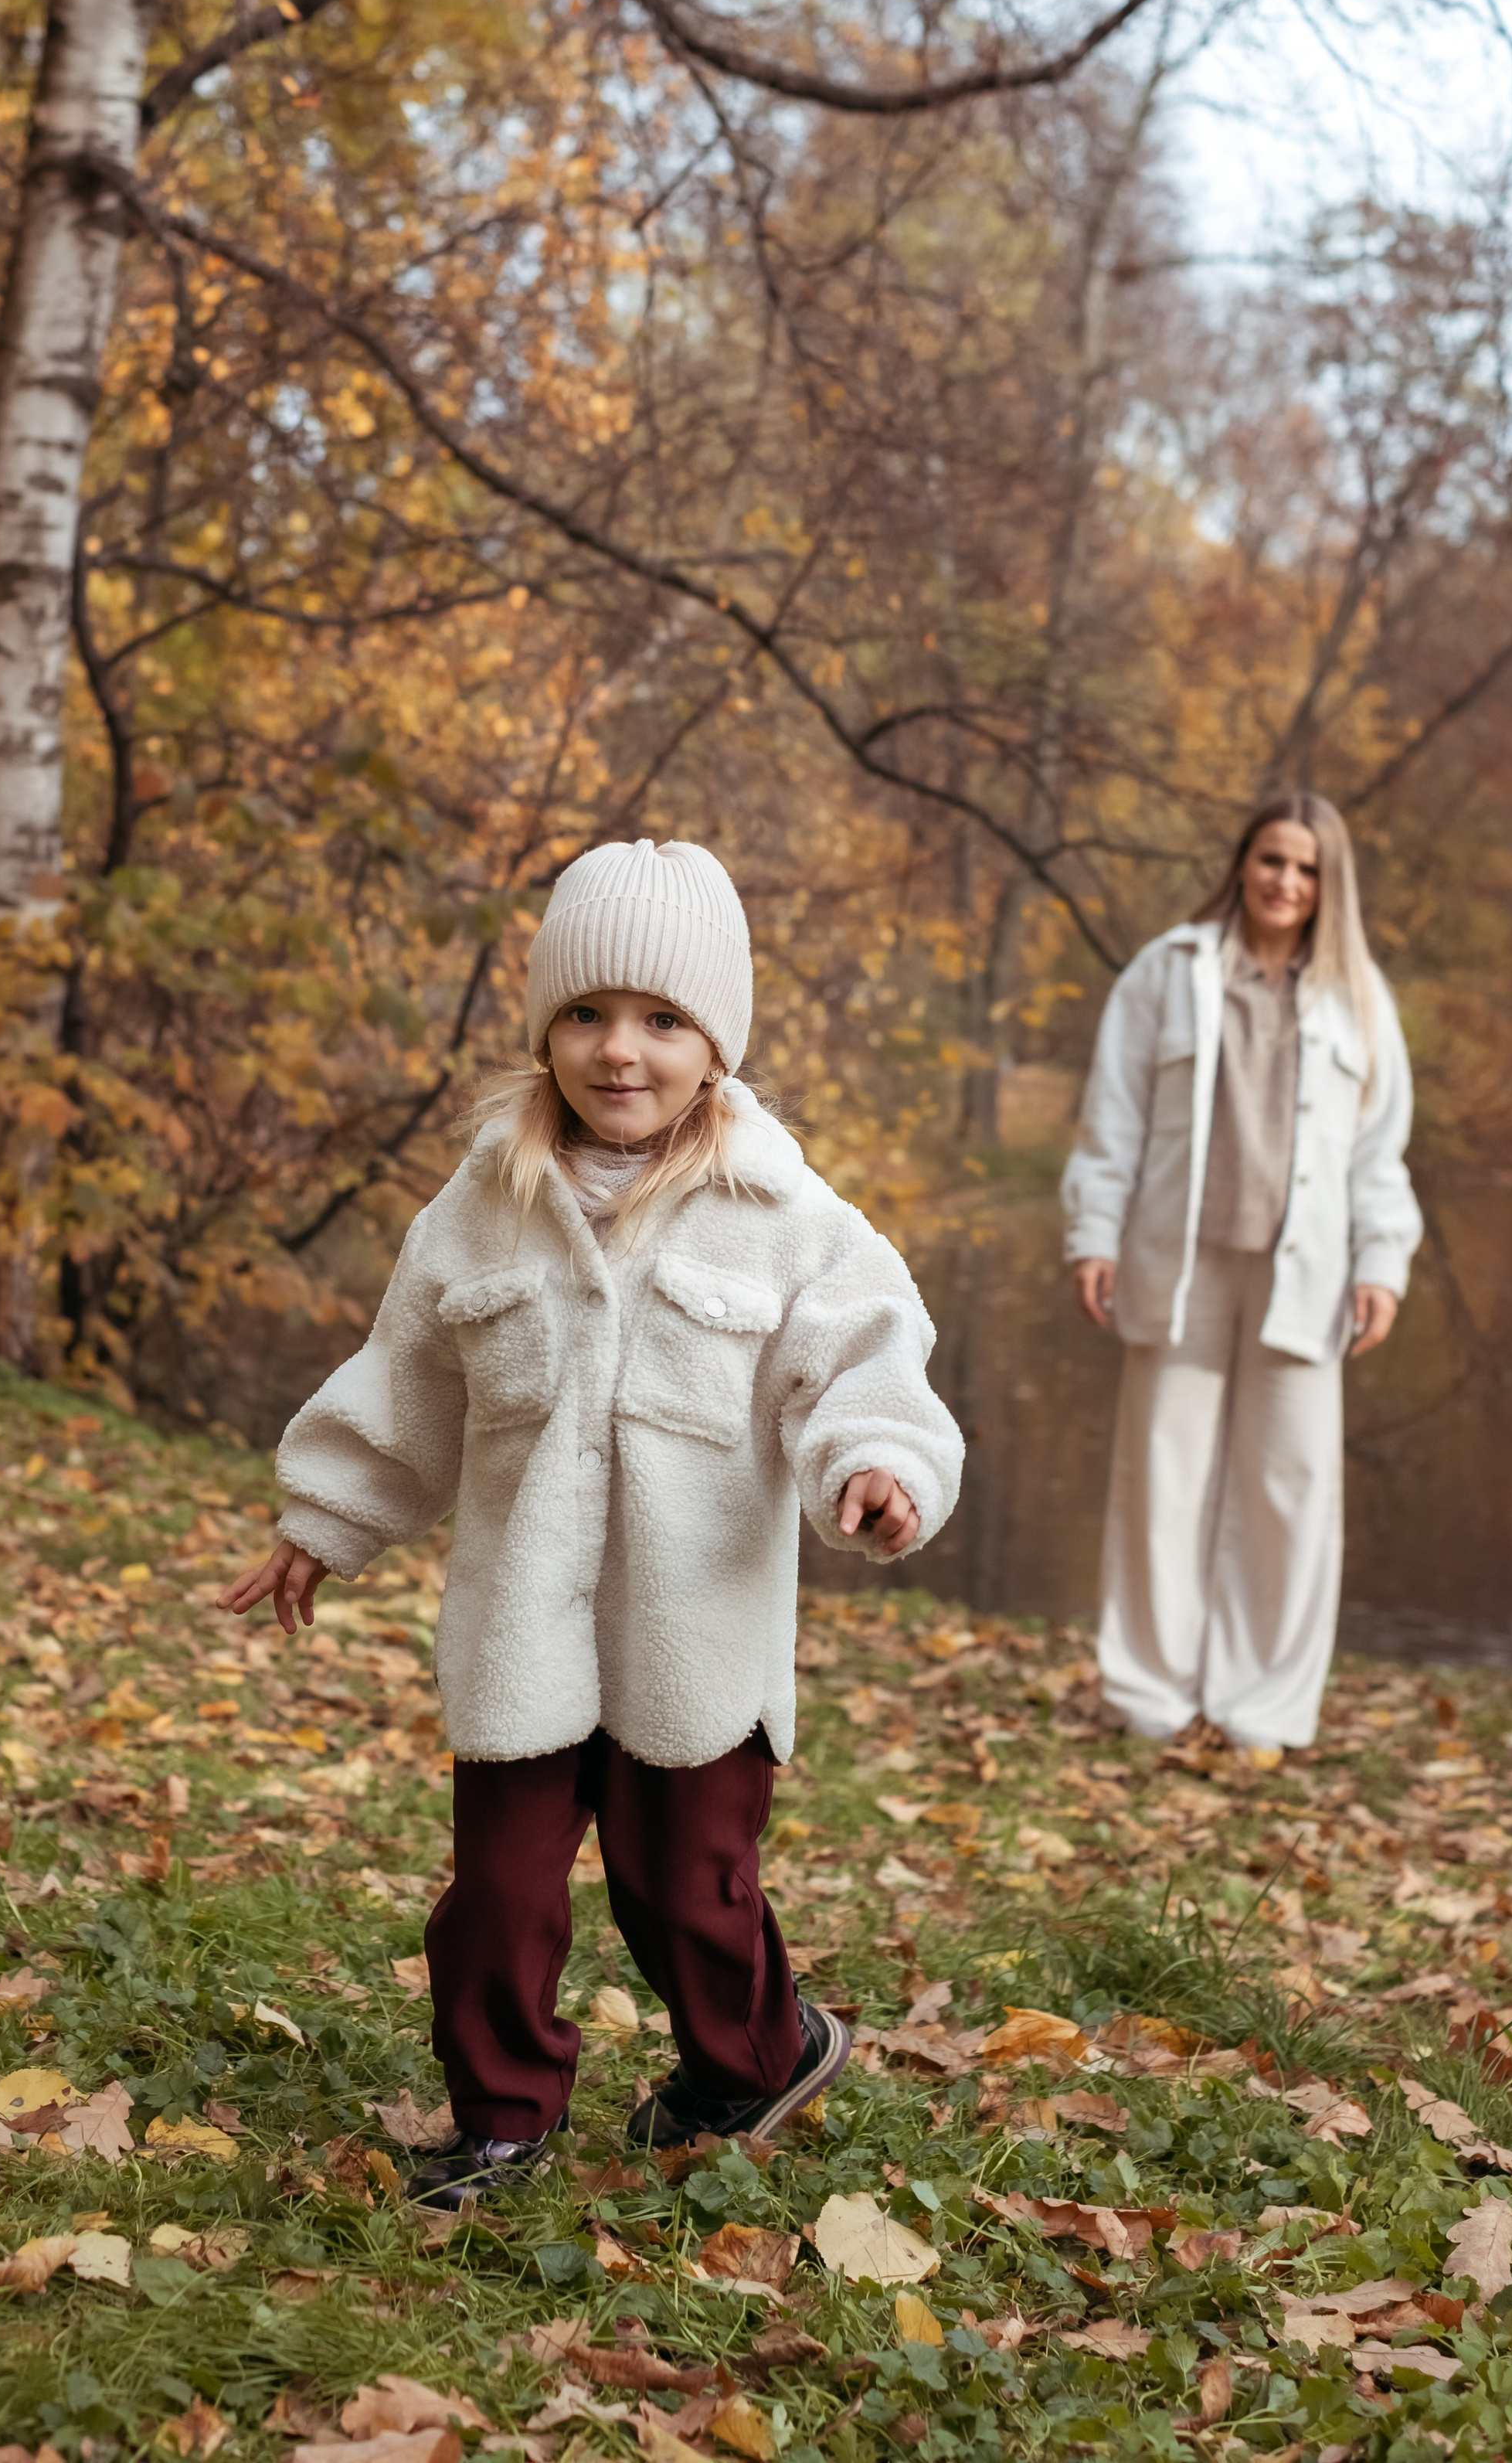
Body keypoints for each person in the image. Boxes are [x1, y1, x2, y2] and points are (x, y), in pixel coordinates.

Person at [221, 837, 965, 2203]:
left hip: (698, 1633)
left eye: (663, 1020)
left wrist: (877, 1462)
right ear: (547, 1030)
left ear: (716, 1046)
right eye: (588, 1014)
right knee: (496, 1897)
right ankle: (502, 2115)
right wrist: (326, 1513)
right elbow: (411, 1379)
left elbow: (864, 1357)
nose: (623, 1051)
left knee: (686, 1893)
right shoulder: (484, 1208)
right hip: (525, 1623)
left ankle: (755, 2056)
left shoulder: (784, 1215)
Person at [1062, 791, 1422, 1757]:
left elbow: (1377, 1153)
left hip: (1306, 1270)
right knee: (1163, 1476)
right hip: (1177, 1261)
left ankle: (1264, 1706)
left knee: (1291, 1485)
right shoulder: (1166, 972)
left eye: (1306, 870)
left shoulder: (1359, 996)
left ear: (1326, 885)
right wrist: (1092, 1234)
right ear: (1242, 863)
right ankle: (1151, 1695)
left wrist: (1381, 1262)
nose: (1285, 882)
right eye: (1272, 860)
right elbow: (1114, 1119)